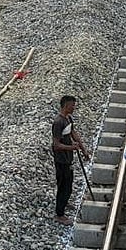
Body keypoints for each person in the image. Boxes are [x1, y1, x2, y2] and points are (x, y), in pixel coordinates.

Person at [51, 95, 89, 224]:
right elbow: (56, 145)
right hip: (61, 160)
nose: (74, 107)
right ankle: (59, 214)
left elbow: (74, 133)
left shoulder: (68, 119)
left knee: (69, 184)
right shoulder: (58, 122)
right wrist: (71, 148)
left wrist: (83, 149)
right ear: (66, 105)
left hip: (68, 158)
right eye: (72, 105)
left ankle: (64, 202)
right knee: (63, 186)